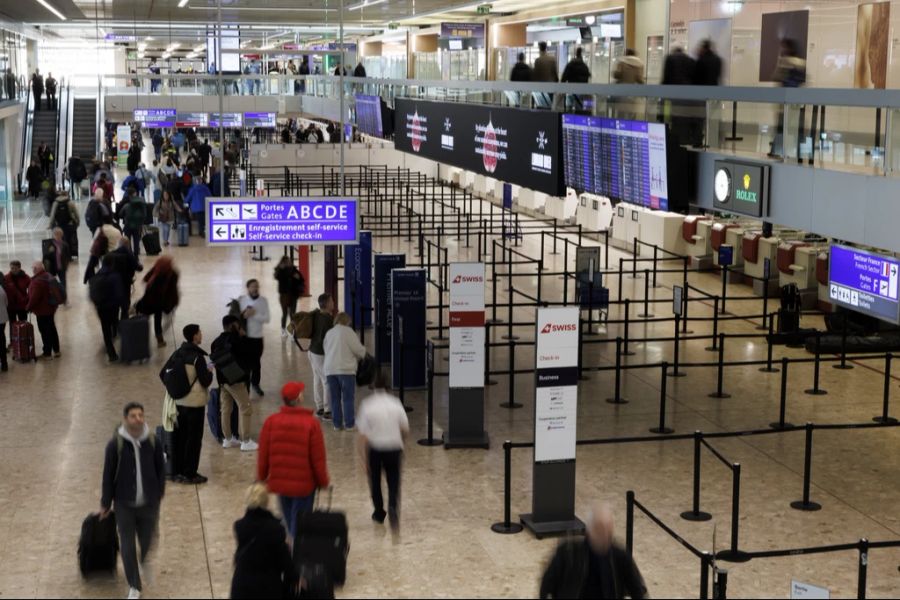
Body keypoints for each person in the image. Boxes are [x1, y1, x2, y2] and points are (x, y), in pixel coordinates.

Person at [100, 402, 165, 600]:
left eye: (141, 415)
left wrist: (159, 492)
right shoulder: (115, 445)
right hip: (123, 504)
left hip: (149, 503)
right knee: (127, 546)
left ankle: (143, 559)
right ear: (126, 419)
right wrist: (105, 503)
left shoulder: (153, 441)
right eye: (133, 416)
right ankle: (134, 586)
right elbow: (108, 475)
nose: (138, 419)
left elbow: (161, 469)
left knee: (148, 539)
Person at [257, 381, 330, 540]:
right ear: (298, 399)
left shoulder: (271, 422)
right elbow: (318, 458)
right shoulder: (311, 424)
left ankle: (292, 549)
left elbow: (263, 454)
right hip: (304, 485)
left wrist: (262, 477)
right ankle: (298, 555)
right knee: (301, 523)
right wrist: (323, 481)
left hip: (281, 484)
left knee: (289, 520)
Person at [540, 504, 647, 599]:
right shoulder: (568, 553)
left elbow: (638, 590)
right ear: (589, 530)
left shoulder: (620, 557)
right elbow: (547, 585)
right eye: (600, 529)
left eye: (608, 529)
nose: (605, 534)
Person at [357, 368, 408, 531]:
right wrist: (402, 443)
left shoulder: (367, 405)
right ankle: (393, 505)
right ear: (388, 387)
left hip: (375, 449)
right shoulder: (396, 403)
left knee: (375, 482)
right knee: (394, 481)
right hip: (394, 447)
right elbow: (405, 428)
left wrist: (364, 459)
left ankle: (379, 511)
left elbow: (363, 436)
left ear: (373, 387)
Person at [230, 483, 299, 600]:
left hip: (241, 587)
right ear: (266, 502)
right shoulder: (276, 528)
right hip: (267, 588)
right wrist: (295, 578)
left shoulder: (239, 526)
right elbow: (285, 561)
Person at [165, 324, 214, 484]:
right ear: (194, 336)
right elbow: (205, 381)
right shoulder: (197, 357)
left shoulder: (178, 353)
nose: (201, 334)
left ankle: (177, 471)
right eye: (199, 332)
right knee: (193, 439)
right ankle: (190, 473)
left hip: (179, 402)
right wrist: (209, 371)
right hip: (195, 404)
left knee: (180, 437)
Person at [211, 315, 257, 451]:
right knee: (245, 408)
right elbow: (251, 354)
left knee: (226, 409)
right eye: (237, 325)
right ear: (232, 326)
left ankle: (228, 439)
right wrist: (244, 337)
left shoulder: (216, 342)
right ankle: (246, 441)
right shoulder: (237, 340)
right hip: (237, 381)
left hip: (222, 381)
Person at [323, 312, 366, 431]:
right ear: (347, 321)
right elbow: (358, 350)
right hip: (346, 370)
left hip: (330, 370)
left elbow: (325, 349)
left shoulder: (329, 333)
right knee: (347, 398)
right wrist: (363, 354)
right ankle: (349, 424)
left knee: (335, 398)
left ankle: (337, 424)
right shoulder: (348, 332)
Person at [135, 256, 180, 348]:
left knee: (144, 319)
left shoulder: (156, 269)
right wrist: (173, 302)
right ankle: (160, 341)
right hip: (161, 303)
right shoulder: (173, 273)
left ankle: (140, 339)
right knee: (157, 320)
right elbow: (173, 290)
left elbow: (145, 279)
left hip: (149, 301)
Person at [89, 254, 125, 362]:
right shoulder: (115, 276)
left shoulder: (97, 276)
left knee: (106, 330)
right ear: (112, 263)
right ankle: (127, 348)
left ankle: (111, 354)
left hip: (101, 308)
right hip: (113, 307)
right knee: (117, 324)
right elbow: (120, 294)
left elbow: (92, 294)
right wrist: (124, 306)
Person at [239, 279, 271, 397]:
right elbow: (236, 317)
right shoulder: (242, 300)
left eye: (256, 286)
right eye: (252, 287)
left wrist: (254, 314)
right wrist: (243, 315)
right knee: (245, 363)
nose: (255, 289)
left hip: (257, 338)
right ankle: (245, 386)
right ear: (248, 288)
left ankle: (255, 383)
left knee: (256, 363)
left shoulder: (263, 301)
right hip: (244, 338)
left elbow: (267, 318)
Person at [305, 293, 335, 418]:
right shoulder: (328, 319)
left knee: (317, 378)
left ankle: (320, 407)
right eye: (332, 301)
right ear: (327, 304)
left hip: (311, 351)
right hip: (320, 353)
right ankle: (327, 411)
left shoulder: (317, 314)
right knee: (326, 380)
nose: (333, 303)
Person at [26, 261, 62, 358]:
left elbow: (34, 298)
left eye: (33, 268)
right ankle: (57, 350)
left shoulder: (38, 281)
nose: (32, 270)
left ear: (36, 269)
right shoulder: (48, 276)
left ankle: (47, 353)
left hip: (42, 310)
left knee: (45, 331)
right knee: (52, 329)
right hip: (51, 307)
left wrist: (28, 307)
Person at [274, 256, 304, 335]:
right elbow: (276, 276)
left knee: (292, 314)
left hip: (293, 295)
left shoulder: (294, 270)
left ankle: (293, 331)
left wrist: (298, 278)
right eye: (286, 262)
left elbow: (301, 280)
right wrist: (280, 269)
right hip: (283, 296)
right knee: (285, 314)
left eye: (289, 261)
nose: (288, 263)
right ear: (282, 263)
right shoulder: (280, 271)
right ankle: (283, 329)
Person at [48, 191, 80, 260]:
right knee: (69, 240)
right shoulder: (70, 202)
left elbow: (52, 215)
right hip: (69, 224)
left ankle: (61, 256)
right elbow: (76, 213)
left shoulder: (55, 203)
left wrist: (50, 225)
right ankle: (69, 256)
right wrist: (77, 222)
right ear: (66, 194)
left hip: (58, 225)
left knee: (59, 240)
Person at [42, 227, 71, 294]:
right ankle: (54, 297)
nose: (58, 236)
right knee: (51, 283)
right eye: (56, 234)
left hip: (62, 268)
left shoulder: (65, 245)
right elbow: (45, 257)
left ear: (62, 235)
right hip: (52, 268)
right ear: (53, 235)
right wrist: (50, 252)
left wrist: (66, 265)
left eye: (59, 234)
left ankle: (64, 298)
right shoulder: (49, 244)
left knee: (63, 283)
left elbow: (68, 257)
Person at [0, 272, 8, 372]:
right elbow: (6, 303)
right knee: (2, 341)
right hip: (2, 319)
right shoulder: (1, 289)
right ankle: (4, 364)